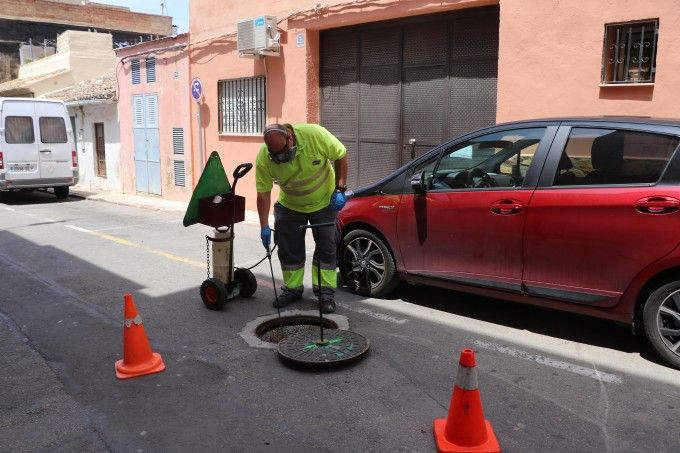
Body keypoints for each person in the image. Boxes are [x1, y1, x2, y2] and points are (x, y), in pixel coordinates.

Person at [256, 123, 348, 313]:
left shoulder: (315, 135)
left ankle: (325, 293)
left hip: (324, 202)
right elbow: (263, 193)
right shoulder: (264, 157)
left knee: (327, 247)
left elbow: (341, 154)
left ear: (289, 137)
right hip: (290, 205)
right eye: (275, 155)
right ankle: (292, 289)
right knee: (289, 249)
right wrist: (264, 225)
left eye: (283, 152)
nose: (280, 158)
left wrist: (340, 188)